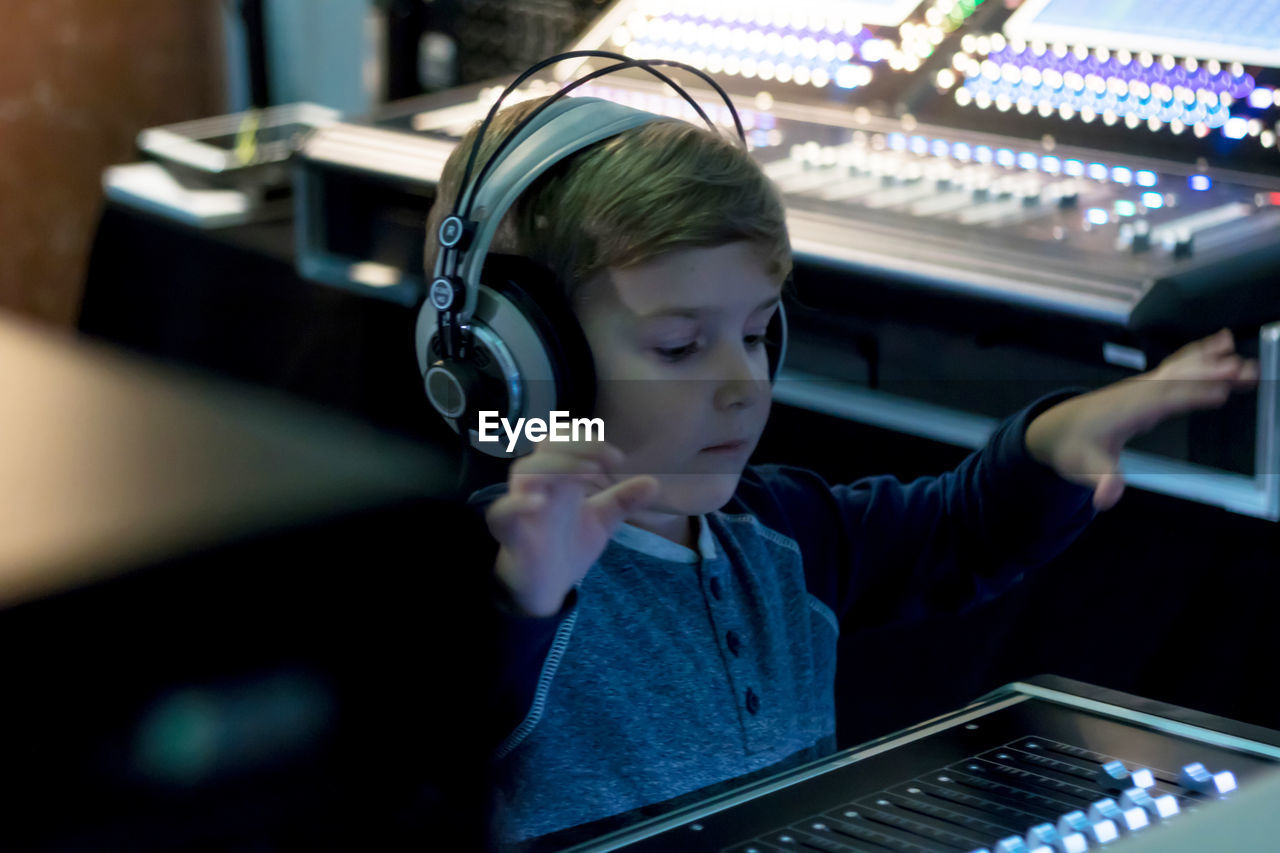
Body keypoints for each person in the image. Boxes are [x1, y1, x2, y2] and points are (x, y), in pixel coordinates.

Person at [424, 95, 1259, 845]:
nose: (740, 383)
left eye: (755, 334)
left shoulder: (783, 529)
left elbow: (953, 531)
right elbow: (423, 739)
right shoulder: (495, 560)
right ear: (527, 361)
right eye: (679, 347)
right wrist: (523, 600)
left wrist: (1050, 445)